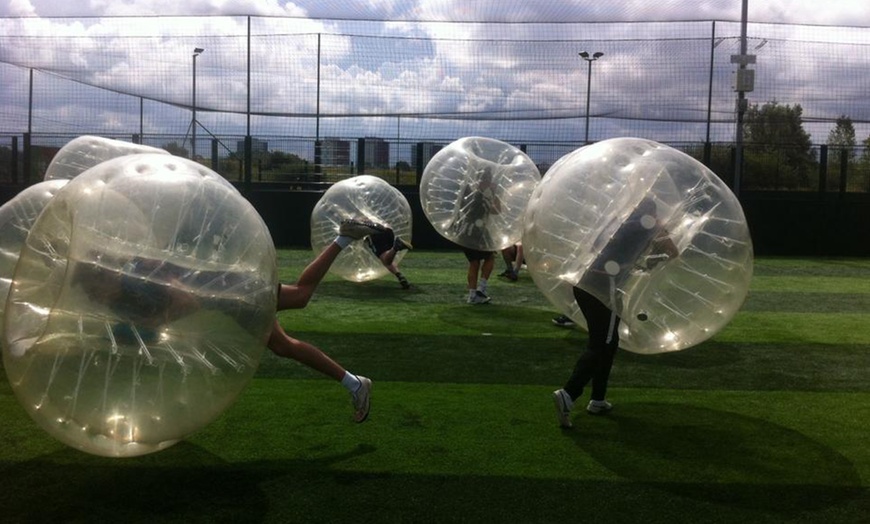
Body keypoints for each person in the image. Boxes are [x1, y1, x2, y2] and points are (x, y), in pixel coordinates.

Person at [73, 218, 385, 423]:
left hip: (233, 294)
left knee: (295, 311)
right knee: (285, 337)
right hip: (228, 287)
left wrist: (160, 320)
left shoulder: (133, 284)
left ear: (105, 276)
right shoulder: (131, 273)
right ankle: (355, 384)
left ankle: (343, 238)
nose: (92, 296)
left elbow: (186, 298)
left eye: (92, 288)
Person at [552, 197, 679, 428]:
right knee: (601, 344)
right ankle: (569, 394)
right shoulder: (650, 225)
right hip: (604, 289)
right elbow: (673, 251)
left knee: (608, 342)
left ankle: (598, 399)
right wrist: (659, 230)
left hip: (585, 285)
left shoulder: (620, 224)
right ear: (652, 213)